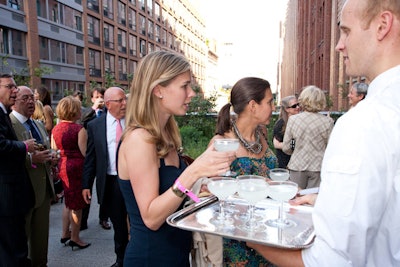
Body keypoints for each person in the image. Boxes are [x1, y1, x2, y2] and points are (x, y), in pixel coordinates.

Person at [247, 0, 400, 265]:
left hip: (299, 169)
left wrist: (250, 236)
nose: (340, 44)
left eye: (347, 31)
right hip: (319, 172)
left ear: (383, 25)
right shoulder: (331, 123)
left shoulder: (360, 123)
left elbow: (329, 260)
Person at [117, 50, 235, 266]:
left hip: (176, 254)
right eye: (184, 86)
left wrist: (201, 193)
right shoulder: (140, 139)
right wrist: (193, 172)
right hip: (151, 257)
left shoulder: (166, 134)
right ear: (158, 90)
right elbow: (151, 218)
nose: (191, 94)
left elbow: (175, 194)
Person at [207, 77, 277, 266]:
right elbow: (210, 193)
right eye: (270, 102)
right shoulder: (222, 143)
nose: (274, 107)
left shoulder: (262, 134)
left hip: (266, 230)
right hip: (237, 238)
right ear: (253, 105)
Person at [82, 87, 129, 267]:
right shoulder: (95, 126)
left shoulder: (134, 122)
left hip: (134, 180)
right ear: (108, 104)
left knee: (137, 220)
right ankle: (121, 259)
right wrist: (86, 184)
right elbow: (91, 157)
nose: (125, 103)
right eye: (120, 101)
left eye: (125, 99)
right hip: (110, 181)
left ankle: (137, 257)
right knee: (118, 223)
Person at [10, 85, 56, 266]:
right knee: (20, 243)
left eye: (32, 98)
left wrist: (51, 156)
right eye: (25, 98)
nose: (31, 102)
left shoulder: (37, 124)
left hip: (43, 192)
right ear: (14, 102)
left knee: (40, 242)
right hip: (23, 191)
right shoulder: (9, 124)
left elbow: (45, 147)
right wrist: (31, 158)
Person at [0, 73, 35, 266]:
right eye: (9, 87)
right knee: (13, 249)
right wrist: (24, 146)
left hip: (13, 192)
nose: (14, 91)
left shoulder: (3, 113)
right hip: (6, 196)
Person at [52, 96, 90, 250]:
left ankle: (64, 233)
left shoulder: (56, 128)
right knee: (77, 205)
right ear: (74, 111)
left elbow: (55, 149)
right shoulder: (79, 129)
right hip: (76, 167)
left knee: (68, 201)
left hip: (63, 165)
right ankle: (75, 237)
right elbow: (84, 152)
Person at [282, 85, 334, 189]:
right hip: (318, 167)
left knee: (295, 199)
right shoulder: (328, 121)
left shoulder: (293, 120)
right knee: (313, 200)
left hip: (297, 165)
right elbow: (331, 148)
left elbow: (286, 147)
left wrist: (295, 150)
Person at [80, 86, 110, 231]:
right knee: (87, 189)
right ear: (92, 99)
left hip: (106, 158)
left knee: (105, 189)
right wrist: (93, 108)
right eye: (96, 96)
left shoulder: (108, 112)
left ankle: (104, 218)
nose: (99, 99)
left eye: (101, 96)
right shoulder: (88, 113)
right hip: (91, 154)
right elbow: (81, 121)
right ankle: (83, 220)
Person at [272, 95, 300, 168]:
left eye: (298, 104)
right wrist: (294, 145)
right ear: (287, 109)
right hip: (285, 163)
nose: (298, 107)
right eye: (294, 106)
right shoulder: (280, 124)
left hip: (298, 162)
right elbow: (276, 144)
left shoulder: (300, 121)